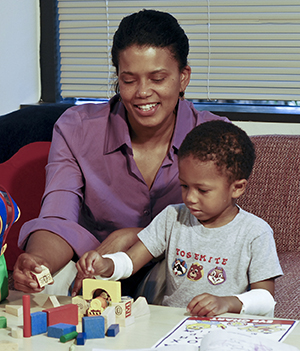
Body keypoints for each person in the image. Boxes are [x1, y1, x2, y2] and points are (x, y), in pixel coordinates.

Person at [13, 9, 229, 295]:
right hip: (92, 263)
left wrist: (134, 237)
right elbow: (58, 217)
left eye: (157, 78)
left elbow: (222, 231)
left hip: (173, 265)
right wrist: (39, 263)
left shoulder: (216, 136)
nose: (142, 92)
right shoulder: (76, 128)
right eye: (129, 80)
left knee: (186, 276)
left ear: (183, 77)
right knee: (44, 289)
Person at [73, 120, 282, 317]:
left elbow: (265, 297)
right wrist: (106, 265)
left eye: (202, 190)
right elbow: (130, 261)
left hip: (225, 328)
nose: (190, 198)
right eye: (184, 186)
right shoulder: (173, 217)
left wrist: (226, 302)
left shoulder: (256, 232)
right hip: (172, 323)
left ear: (237, 188)